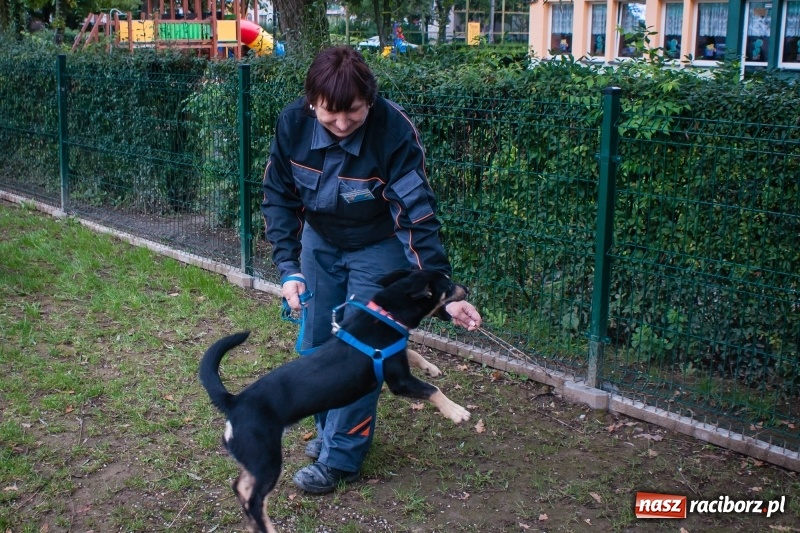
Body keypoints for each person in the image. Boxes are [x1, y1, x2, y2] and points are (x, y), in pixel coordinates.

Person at [261, 46, 482, 495]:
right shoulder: (292, 124)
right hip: (319, 242)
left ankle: (340, 458)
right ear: (311, 104)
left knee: (365, 352)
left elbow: (417, 214)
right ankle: (327, 433)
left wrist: (446, 293)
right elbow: (278, 198)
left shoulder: (393, 131)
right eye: (330, 117)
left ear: (371, 102)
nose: (342, 126)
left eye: (354, 115)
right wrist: (288, 267)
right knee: (320, 343)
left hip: (378, 246)